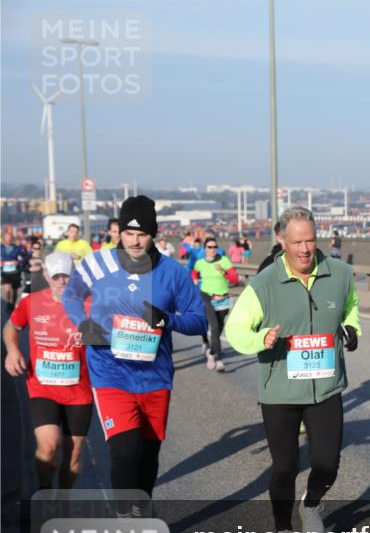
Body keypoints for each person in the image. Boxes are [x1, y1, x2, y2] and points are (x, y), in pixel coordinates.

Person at [225, 207, 361, 533]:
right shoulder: (264, 284)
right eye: (297, 242)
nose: (305, 249)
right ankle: (283, 531)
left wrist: (352, 328)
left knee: (327, 464)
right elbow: (234, 329)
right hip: (280, 391)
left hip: (326, 386)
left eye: (310, 240)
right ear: (282, 241)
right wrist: (261, 339)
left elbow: (350, 306)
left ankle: (311, 505)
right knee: (285, 467)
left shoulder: (340, 273)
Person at [62, 196, 208, 516]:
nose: (135, 241)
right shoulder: (97, 263)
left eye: (142, 234)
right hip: (109, 371)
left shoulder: (173, 272)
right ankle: (125, 515)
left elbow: (200, 320)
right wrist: (83, 323)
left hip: (155, 375)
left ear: (154, 234)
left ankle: (141, 506)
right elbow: (71, 295)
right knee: (125, 451)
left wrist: (168, 320)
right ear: (119, 232)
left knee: (148, 455)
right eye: (128, 233)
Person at [4, 252, 93, 492]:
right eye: (56, 276)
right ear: (45, 275)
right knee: (49, 447)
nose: (61, 281)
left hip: (79, 391)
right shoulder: (31, 302)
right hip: (42, 387)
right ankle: (43, 489)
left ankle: (62, 500)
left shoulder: (90, 304)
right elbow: (11, 328)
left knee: (73, 453)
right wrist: (12, 350)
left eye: (66, 275)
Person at [192, 238, 239, 371]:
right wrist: (194, 279)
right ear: (205, 249)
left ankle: (212, 352)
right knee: (214, 327)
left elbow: (235, 279)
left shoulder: (224, 260)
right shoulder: (200, 263)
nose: (213, 249)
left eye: (215, 247)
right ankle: (219, 360)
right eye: (210, 247)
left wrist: (223, 271)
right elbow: (194, 272)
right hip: (207, 297)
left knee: (218, 329)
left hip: (223, 298)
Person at [1, 230, 28, 305]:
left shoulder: (17, 248)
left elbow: (24, 257)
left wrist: (18, 262)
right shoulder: (1, 248)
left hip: (15, 272)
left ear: (12, 239)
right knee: (7, 290)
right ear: (4, 238)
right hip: (5, 272)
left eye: (10, 237)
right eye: (7, 237)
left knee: (14, 292)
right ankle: (7, 304)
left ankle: (12, 305)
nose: (8, 239)